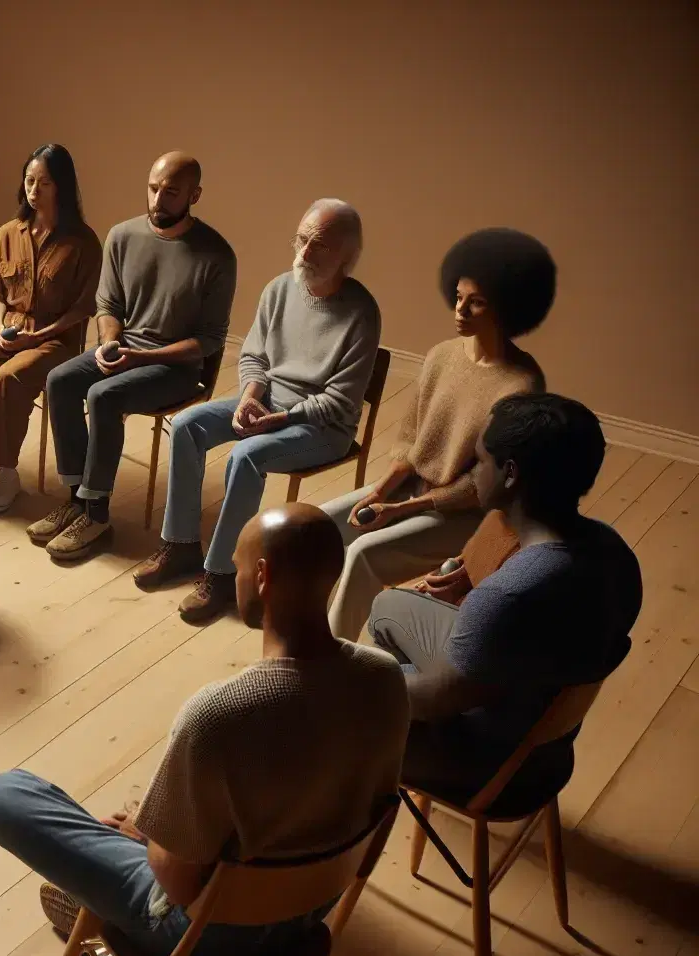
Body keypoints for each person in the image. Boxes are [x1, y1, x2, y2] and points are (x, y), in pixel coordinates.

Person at [0, 504, 407, 956]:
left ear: (261, 575)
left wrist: (148, 836)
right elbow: (371, 803)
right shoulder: (384, 678)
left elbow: (178, 888)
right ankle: (118, 870)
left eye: (238, 565)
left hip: (201, 942)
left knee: (5, 794)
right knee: (171, 816)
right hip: (310, 916)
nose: (236, 576)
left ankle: (102, 901)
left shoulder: (219, 715)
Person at [369, 394, 640, 796]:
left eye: (481, 461)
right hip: (546, 743)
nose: (473, 471)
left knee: (341, 696)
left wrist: (351, 681)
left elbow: (441, 699)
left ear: (510, 474)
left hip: (489, 766)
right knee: (386, 607)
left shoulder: (507, 595)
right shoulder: (615, 552)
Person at [136, 199, 382, 625]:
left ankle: (224, 573)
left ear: (347, 256)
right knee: (188, 424)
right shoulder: (279, 289)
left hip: (322, 426)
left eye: (319, 246)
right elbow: (254, 356)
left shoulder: (361, 313)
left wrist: (282, 420)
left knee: (246, 455)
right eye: (301, 239)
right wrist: (251, 393)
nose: (304, 253)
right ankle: (180, 545)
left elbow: (340, 402)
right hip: (270, 402)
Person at [320, 228, 553, 639]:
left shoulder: (522, 384)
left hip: (463, 513)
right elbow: (411, 440)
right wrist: (380, 494)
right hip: (410, 488)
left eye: (476, 302)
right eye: (459, 297)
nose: (460, 310)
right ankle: (305, 634)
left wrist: (403, 510)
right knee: (318, 527)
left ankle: (331, 669)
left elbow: (482, 486)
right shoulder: (441, 355)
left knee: (362, 554)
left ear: (507, 308)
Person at [30, 152, 238, 558]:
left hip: (174, 368)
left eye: (171, 192)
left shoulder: (216, 255)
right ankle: (76, 497)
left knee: (104, 396)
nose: (158, 199)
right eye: (153, 188)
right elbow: (108, 305)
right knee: (61, 380)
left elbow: (209, 341)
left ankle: (96, 513)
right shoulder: (122, 236)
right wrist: (109, 342)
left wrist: (142, 359)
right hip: (124, 350)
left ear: (194, 194)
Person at [0, 144, 103, 513]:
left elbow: (83, 309)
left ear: (62, 187)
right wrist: (0, 326)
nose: (34, 190)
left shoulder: (83, 242)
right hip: (9, 329)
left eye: (44, 183)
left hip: (56, 342)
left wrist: (43, 334)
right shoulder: (8, 232)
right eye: (29, 181)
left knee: (9, 379)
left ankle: (6, 471)